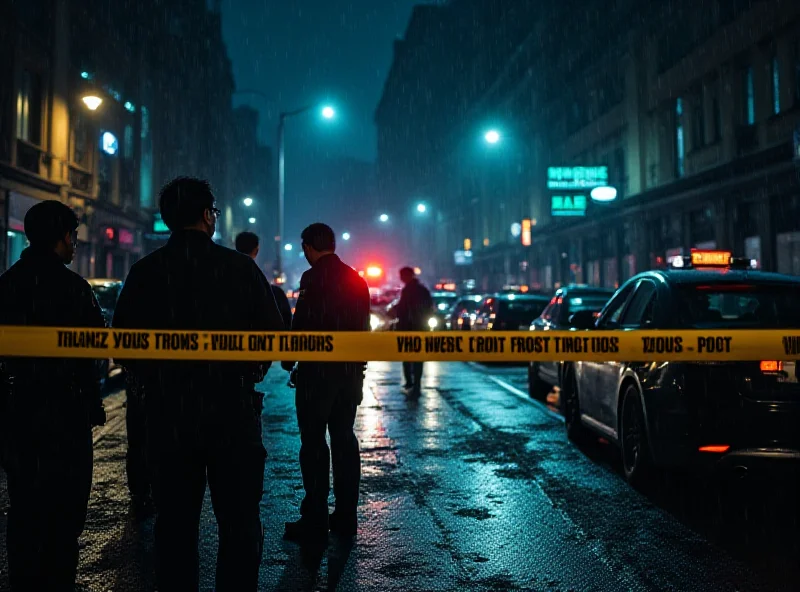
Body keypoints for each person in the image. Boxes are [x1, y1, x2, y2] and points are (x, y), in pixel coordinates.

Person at [112, 177, 285, 591]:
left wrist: (152, 382)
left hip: (169, 416)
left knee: (175, 524)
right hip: (232, 413)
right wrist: (251, 369)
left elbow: (123, 343)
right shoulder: (240, 268)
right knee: (240, 522)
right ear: (208, 215)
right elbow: (273, 334)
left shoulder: (146, 272)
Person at [0, 200, 106, 590]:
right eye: (74, 237)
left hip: (19, 414)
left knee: (25, 508)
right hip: (66, 415)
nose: (76, 245)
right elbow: (94, 353)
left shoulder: (8, 284)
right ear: (62, 237)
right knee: (64, 513)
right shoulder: (75, 289)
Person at [282, 223, 370, 545]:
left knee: (314, 444)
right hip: (348, 375)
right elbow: (364, 327)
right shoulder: (356, 279)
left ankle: (315, 517)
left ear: (308, 247)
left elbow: (302, 321)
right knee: (345, 440)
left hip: (316, 376)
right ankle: (347, 517)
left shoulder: (312, 277)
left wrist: (288, 357)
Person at [235, 230, 293, 435]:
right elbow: (278, 322)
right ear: (256, 250)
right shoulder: (256, 278)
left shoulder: (221, 273)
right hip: (247, 365)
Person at [392, 267, 433, 396]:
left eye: (402, 275)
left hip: (409, 328)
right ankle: (415, 383)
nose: (400, 278)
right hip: (420, 328)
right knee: (417, 358)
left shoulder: (409, 290)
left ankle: (411, 382)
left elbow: (403, 309)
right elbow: (429, 308)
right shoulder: (422, 290)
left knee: (408, 356)